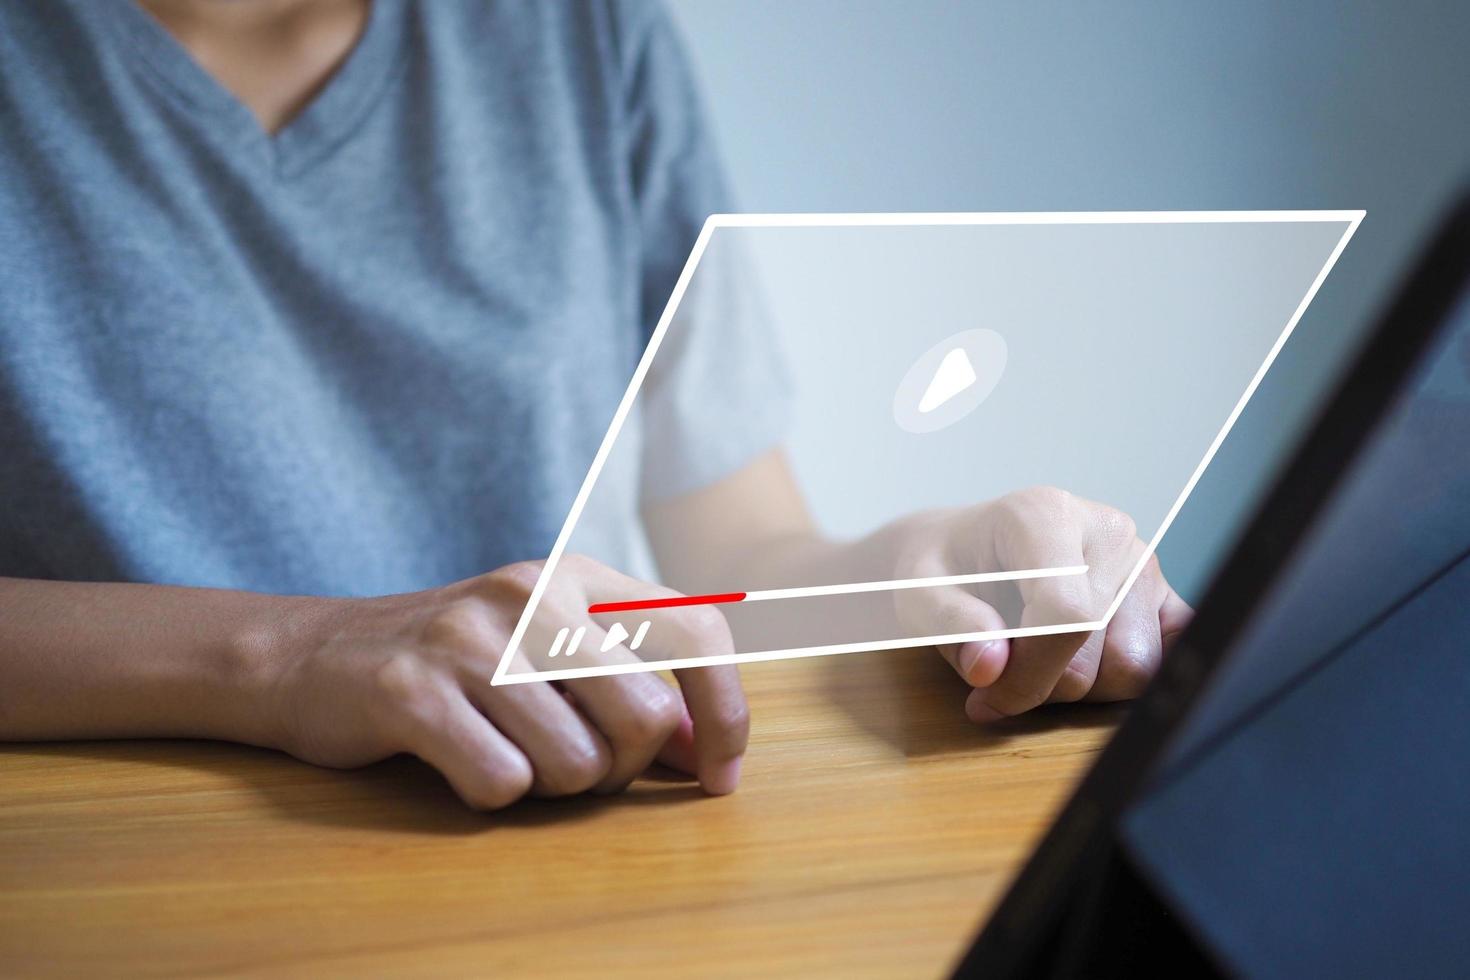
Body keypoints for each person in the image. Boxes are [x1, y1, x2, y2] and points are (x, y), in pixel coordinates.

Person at [0, 0, 1190, 810]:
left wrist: (921, 578)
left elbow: (735, 556)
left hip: (558, 832)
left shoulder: (580, 31)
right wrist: (294, 654)